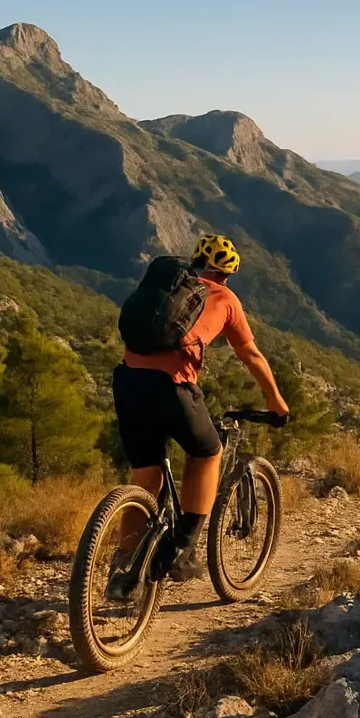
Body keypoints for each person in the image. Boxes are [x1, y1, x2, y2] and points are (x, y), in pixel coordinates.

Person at [107, 235, 289, 597]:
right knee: (208, 453)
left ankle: (123, 568)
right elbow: (251, 355)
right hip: (172, 388)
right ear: (227, 274)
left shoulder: (166, 286)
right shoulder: (225, 299)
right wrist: (277, 402)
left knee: (146, 475)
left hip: (127, 381)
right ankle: (182, 550)